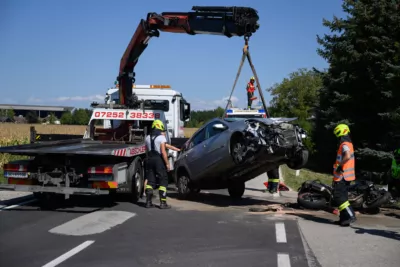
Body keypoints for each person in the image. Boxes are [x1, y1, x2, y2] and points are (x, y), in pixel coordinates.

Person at [332, 123, 357, 226]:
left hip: (343, 175)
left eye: (338, 135)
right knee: (343, 197)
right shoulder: (349, 143)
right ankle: (343, 220)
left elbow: (347, 156)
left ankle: (351, 215)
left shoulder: (345, 144)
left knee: (338, 197)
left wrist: (339, 166)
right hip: (347, 176)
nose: (338, 138)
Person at [144, 119, 171, 209]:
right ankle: (163, 203)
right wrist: (167, 164)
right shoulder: (161, 138)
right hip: (158, 160)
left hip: (149, 159)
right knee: (163, 179)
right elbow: (163, 152)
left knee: (150, 181)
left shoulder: (147, 137)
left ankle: (148, 202)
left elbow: (146, 150)